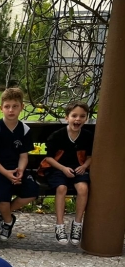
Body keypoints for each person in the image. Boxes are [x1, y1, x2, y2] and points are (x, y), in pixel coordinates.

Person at [0, 87, 39, 241]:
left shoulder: (24, 130)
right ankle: (8, 221)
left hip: (17, 170)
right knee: (2, 198)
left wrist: (20, 171)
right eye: (7, 106)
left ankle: (1, 213)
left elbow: (23, 155)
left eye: (15, 106)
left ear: (22, 107)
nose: (11, 110)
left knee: (32, 192)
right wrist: (6, 173)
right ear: (1, 108)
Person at [39, 101, 92, 245]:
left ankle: (77, 224)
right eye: (74, 116)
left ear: (86, 118)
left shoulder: (87, 136)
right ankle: (60, 225)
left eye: (82, 116)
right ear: (67, 117)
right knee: (61, 188)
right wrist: (62, 168)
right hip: (58, 168)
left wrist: (85, 166)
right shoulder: (58, 135)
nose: (78, 119)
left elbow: (90, 157)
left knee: (83, 188)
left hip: (78, 168)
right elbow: (49, 158)